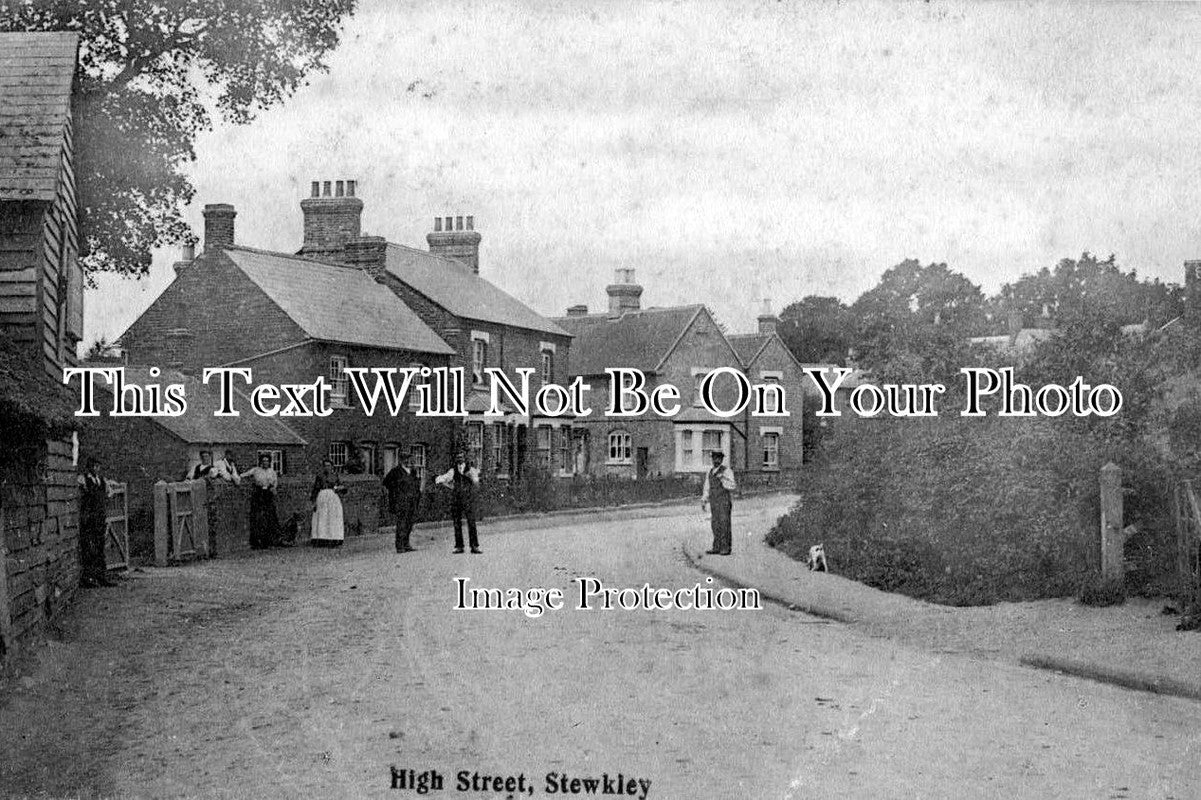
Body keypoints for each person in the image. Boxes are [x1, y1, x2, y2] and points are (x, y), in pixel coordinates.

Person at [77, 457, 116, 587]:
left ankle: (101, 577)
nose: (96, 469)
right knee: (89, 549)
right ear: (89, 467)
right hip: (88, 519)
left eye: (97, 466)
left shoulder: (102, 481)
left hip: (99, 518)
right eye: (93, 466)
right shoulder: (83, 479)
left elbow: (110, 493)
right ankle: (89, 579)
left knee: (100, 548)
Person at [434, 451, 481, 554]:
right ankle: (459, 546)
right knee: (457, 523)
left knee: (471, 522)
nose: (459, 459)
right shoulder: (453, 470)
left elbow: (476, 483)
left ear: (464, 458)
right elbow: (444, 479)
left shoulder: (471, 469)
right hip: (457, 499)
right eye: (457, 457)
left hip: (468, 499)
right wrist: (444, 483)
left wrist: (470, 477)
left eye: (461, 457)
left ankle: (474, 546)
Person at [383, 451, 421, 553]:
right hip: (401, 502)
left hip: (412, 501)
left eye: (410, 459)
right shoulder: (395, 472)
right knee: (401, 523)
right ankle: (399, 546)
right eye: (406, 459)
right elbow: (386, 482)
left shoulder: (413, 471)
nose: (408, 461)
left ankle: (406, 544)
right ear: (401, 460)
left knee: (409, 523)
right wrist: (396, 493)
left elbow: (416, 484)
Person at [701, 450, 736, 555]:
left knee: (724, 523)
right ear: (712, 459)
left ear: (721, 459)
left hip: (724, 501)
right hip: (714, 501)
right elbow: (707, 487)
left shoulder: (727, 471)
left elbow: (733, 486)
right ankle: (716, 547)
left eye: (718, 458)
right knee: (715, 524)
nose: (716, 460)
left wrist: (723, 479)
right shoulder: (710, 472)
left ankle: (725, 548)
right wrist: (704, 500)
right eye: (714, 458)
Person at [243, 454, 282, 549]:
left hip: (268, 495)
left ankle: (269, 541)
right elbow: (244, 475)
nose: (265, 463)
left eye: (267, 461)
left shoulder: (272, 472)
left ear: (269, 462)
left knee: (270, 517)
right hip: (258, 494)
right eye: (263, 461)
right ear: (260, 462)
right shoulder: (256, 470)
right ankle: (257, 542)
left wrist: (273, 488)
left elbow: (275, 483)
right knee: (258, 517)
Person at [310, 458, 345, 547]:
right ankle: (321, 538)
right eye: (325, 466)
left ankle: (334, 538)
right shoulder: (320, 476)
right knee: (322, 517)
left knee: (333, 517)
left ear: (332, 466)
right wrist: (313, 501)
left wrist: (339, 488)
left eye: (329, 466)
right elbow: (315, 489)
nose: (327, 468)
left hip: (333, 497)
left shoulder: (335, 475)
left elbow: (341, 487)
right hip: (322, 497)